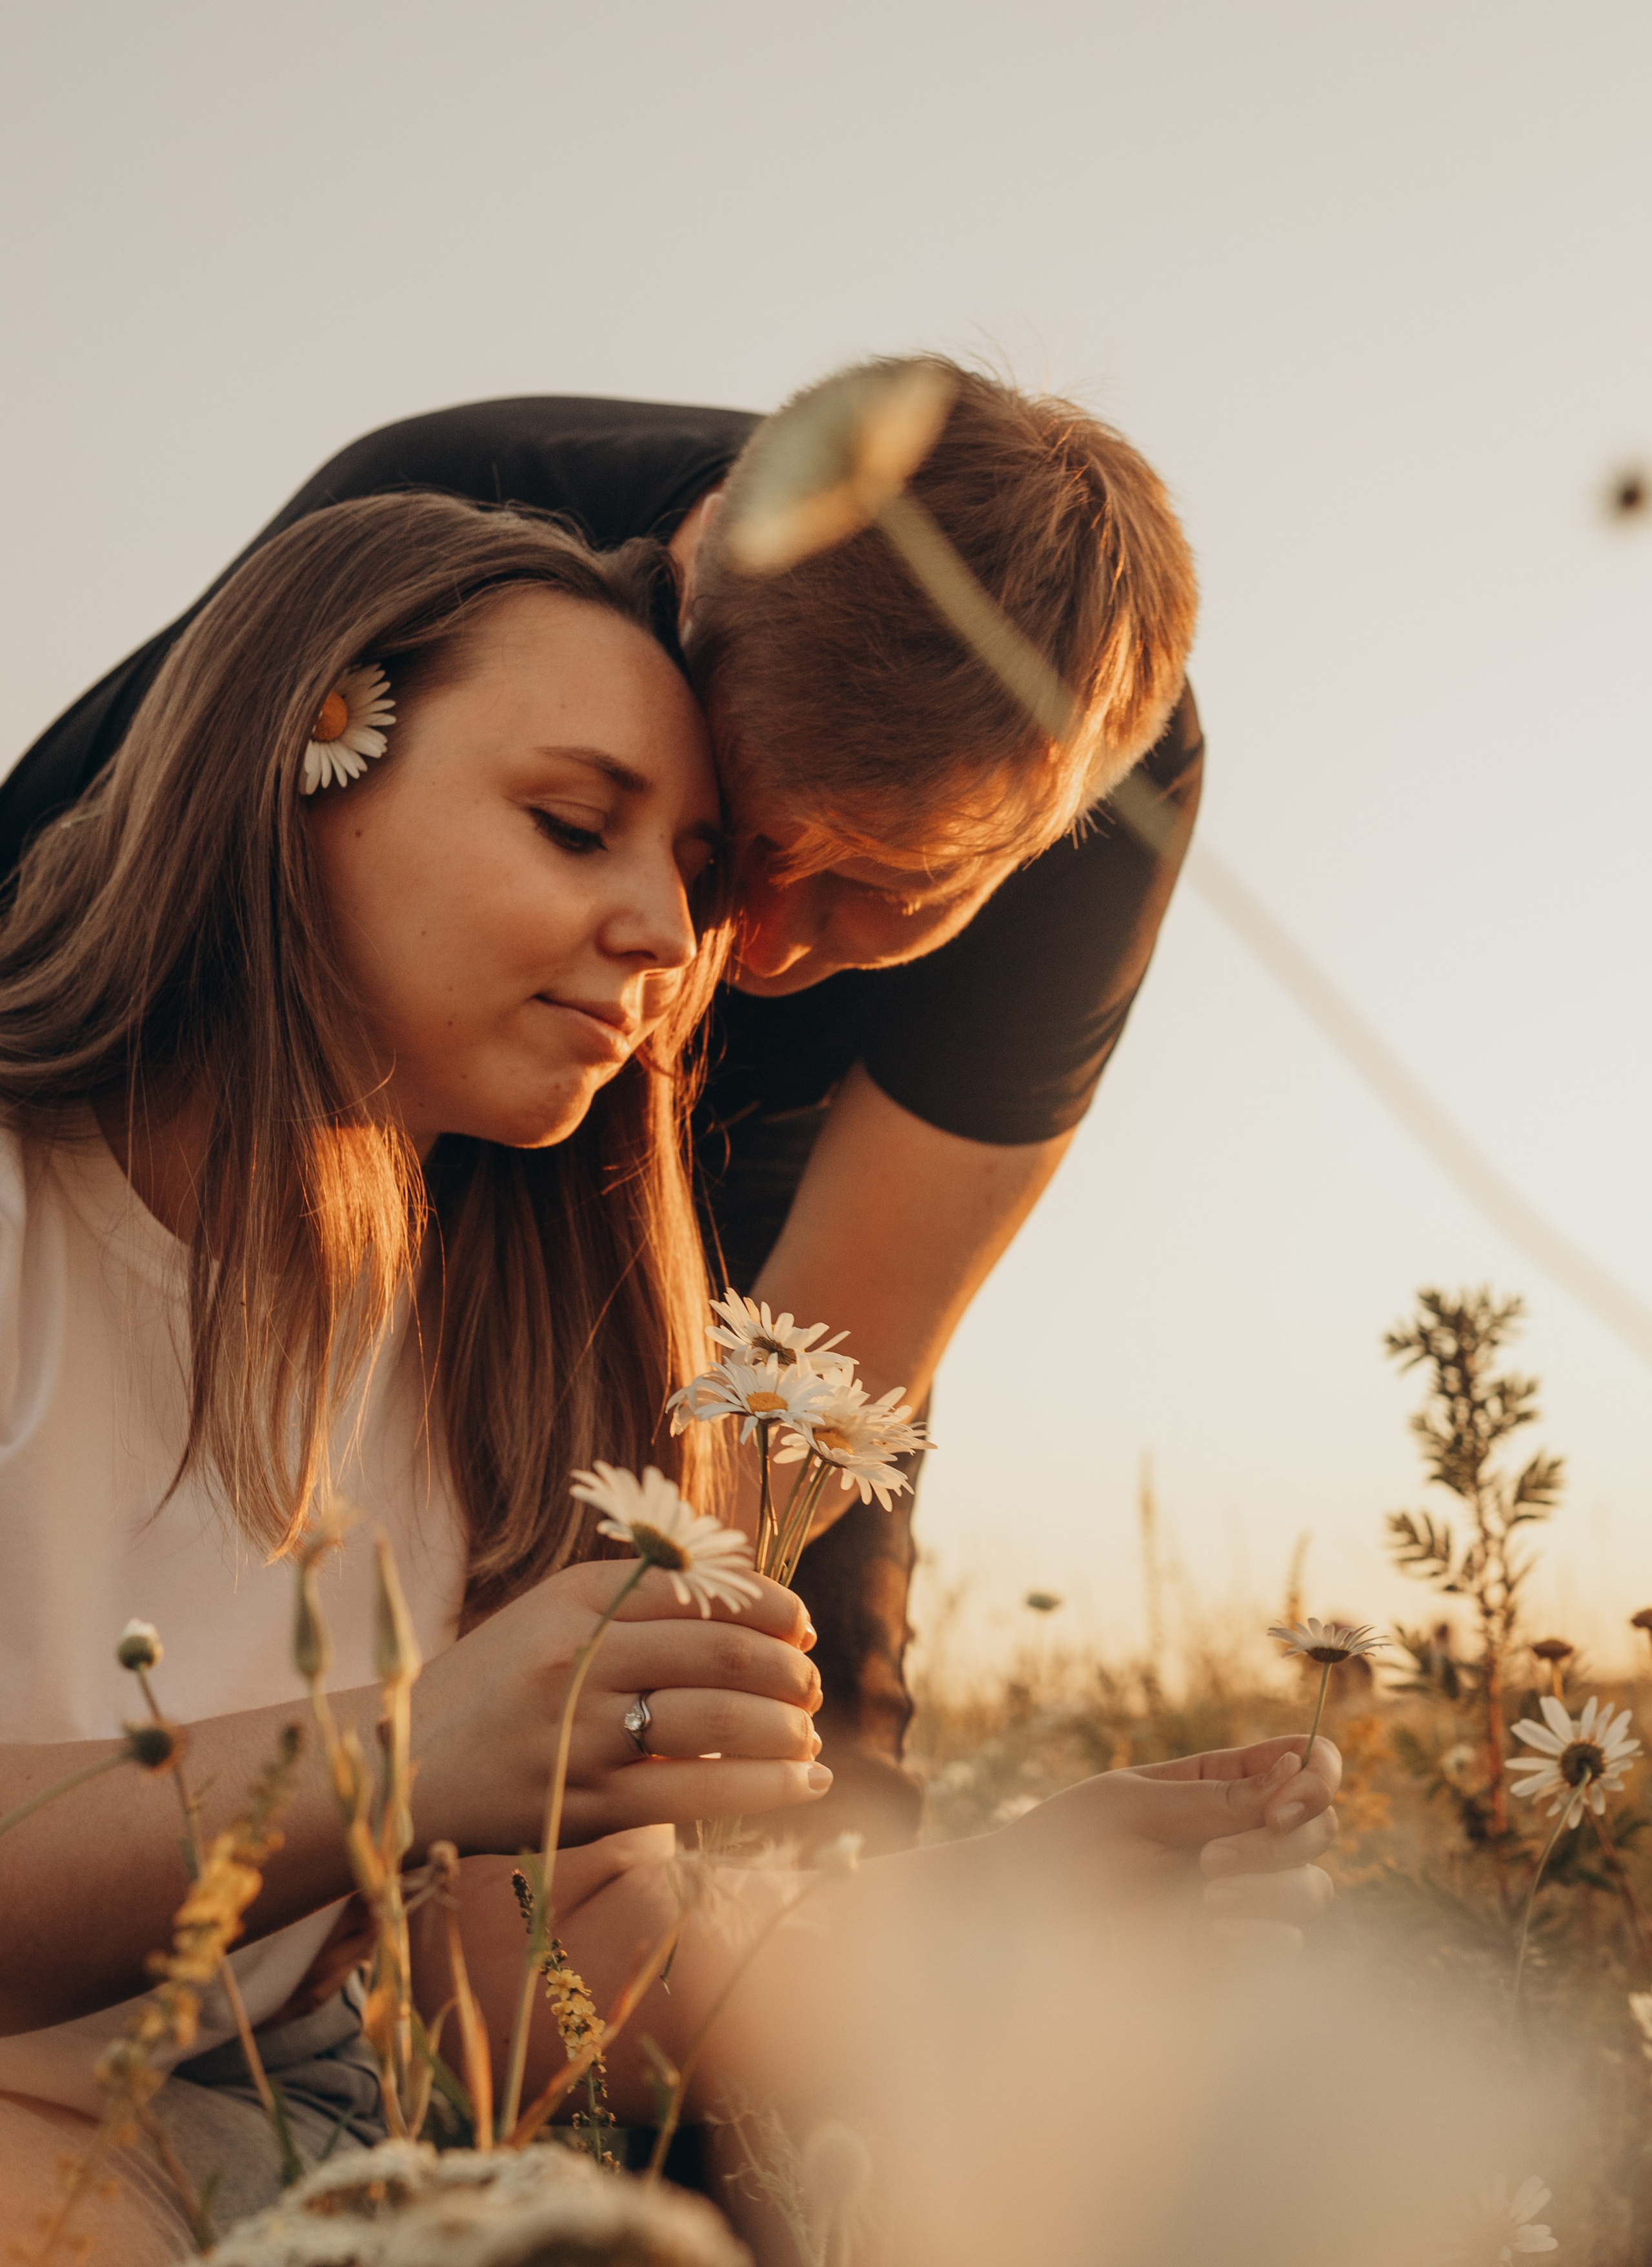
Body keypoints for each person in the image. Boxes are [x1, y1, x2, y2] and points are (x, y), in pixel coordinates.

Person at [0, 360, 1204, 1855]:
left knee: (772, 1757)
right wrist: (411, 1752)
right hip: (284, 1088)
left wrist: (620, 1729)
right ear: (686, 596)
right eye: (750, 840)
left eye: (880, 891)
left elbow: (828, 1378)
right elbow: (109, 931)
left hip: (698, 1193)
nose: (750, 939)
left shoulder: (1103, 800)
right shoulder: (434, 538)